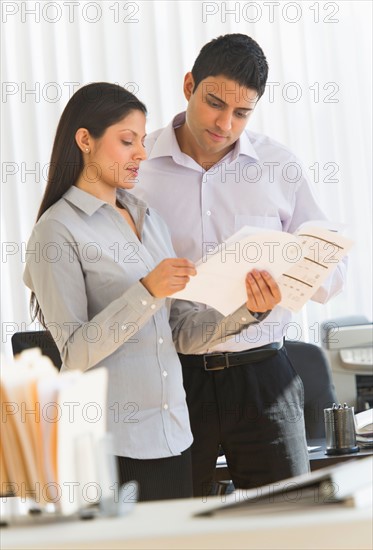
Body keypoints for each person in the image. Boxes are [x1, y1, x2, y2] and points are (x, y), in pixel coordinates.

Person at [23, 82, 282, 502]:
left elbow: (178, 330)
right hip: (114, 447)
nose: (141, 153)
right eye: (127, 141)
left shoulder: (149, 218)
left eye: (142, 141)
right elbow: (73, 352)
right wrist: (146, 291)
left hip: (175, 435)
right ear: (85, 140)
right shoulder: (56, 231)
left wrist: (247, 312)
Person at [133, 34, 347, 496]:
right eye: (214, 103)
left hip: (263, 376)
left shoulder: (278, 166)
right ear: (188, 84)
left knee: (287, 522)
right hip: (174, 377)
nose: (224, 123)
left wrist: (295, 274)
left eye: (242, 113)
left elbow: (333, 272)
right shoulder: (138, 167)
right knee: (174, 523)